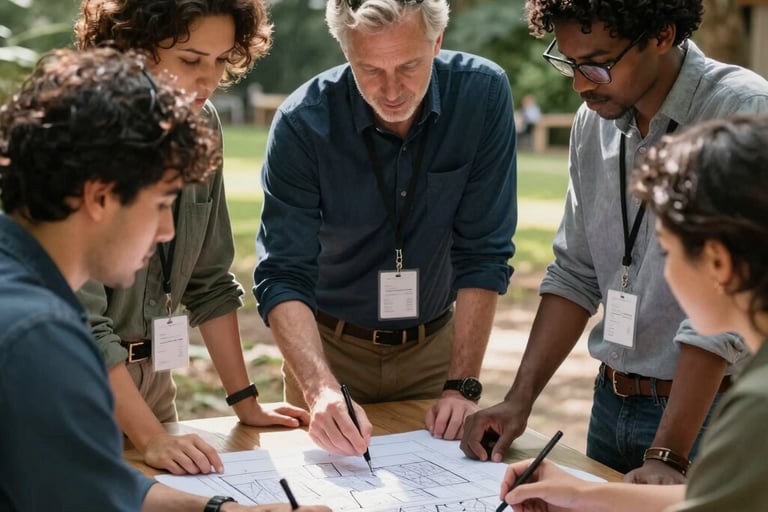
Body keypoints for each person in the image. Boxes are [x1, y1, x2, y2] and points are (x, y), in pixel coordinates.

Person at [0, 46, 328, 512]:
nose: (169, 231)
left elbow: (97, 482)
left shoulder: (30, 284)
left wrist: (221, 510)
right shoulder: (39, 334)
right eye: (159, 206)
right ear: (99, 197)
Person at [461, 0, 768, 484]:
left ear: (662, 35)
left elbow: (723, 309)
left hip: (709, 412)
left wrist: (668, 453)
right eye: (570, 63)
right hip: (612, 402)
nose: (581, 84)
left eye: (598, 64)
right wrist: (519, 398)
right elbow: (576, 272)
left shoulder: (743, 110)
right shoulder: (594, 121)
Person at [253, 0, 517, 458]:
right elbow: (282, 273)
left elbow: (484, 254)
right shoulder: (301, 123)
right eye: (369, 69)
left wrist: (462, 384)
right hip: (329, 351)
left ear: (437, 42)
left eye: (409, 66)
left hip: (435, 352)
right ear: (345, 49)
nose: (392, 89)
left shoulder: (483, 95)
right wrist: (318, 390)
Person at [73, 0, 309, 475]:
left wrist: (245, 403)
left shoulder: (203, 126)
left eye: (221, 60)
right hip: (75, 386)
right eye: (191, 60)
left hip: (156, 386)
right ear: (136, 48)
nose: (211, 80)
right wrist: (151, 438)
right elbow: (79, 322)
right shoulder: (81, 134)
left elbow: (209, 279)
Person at [498, 114, 768, 512]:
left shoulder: (757, 404)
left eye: (666, 252)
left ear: (717, 263)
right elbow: (708, 494)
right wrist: (582, 494)